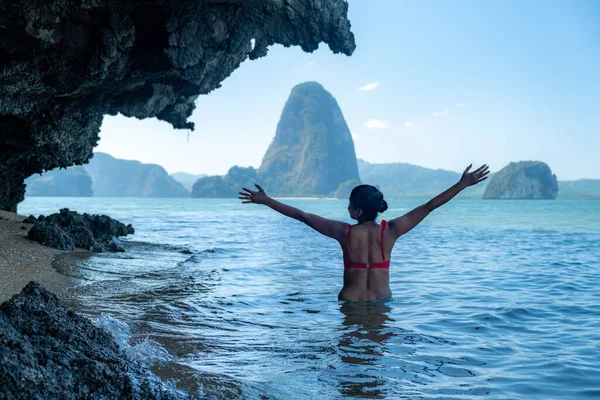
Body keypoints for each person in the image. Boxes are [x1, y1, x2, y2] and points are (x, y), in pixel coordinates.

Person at [239, 164, 489, 302]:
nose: (347, 207)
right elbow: (429, 206)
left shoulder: (343, 233)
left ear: (356, 211)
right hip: (381, 306)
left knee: (349, 371)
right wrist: (462, 184)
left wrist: (268, 201)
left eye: (350, 205)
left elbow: (303, 216)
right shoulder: (390, 231)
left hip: (351, 306)